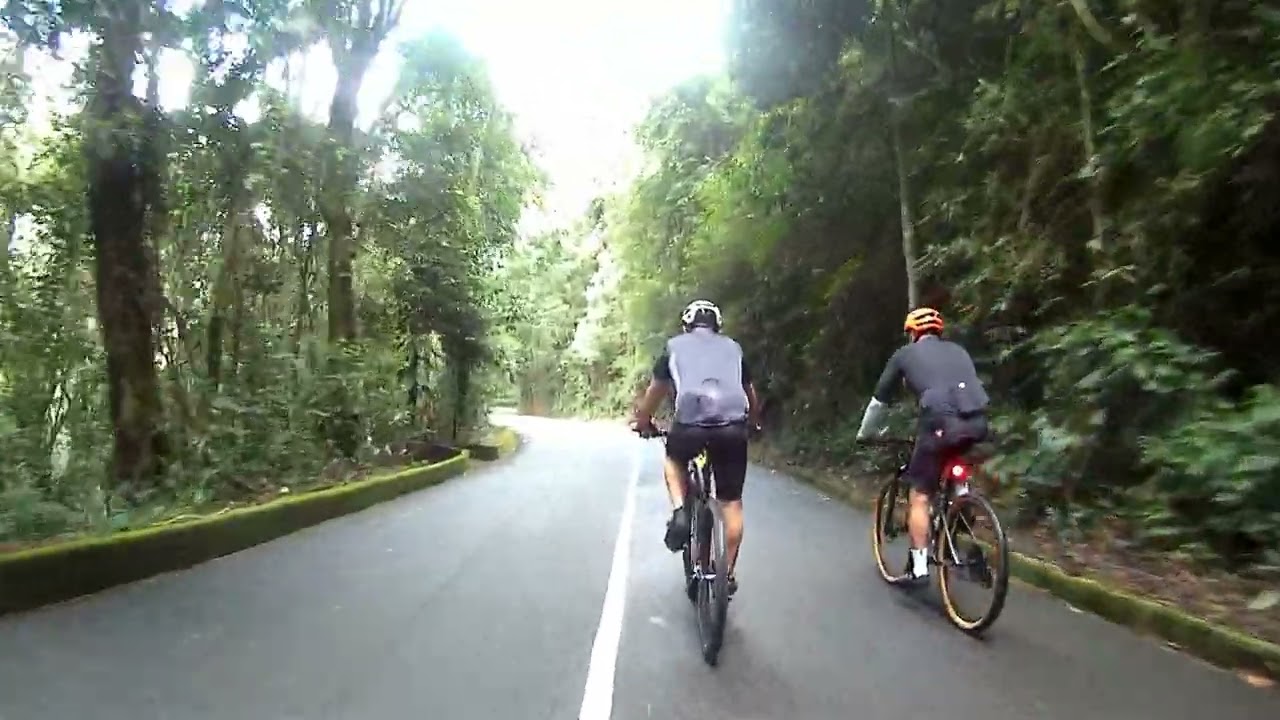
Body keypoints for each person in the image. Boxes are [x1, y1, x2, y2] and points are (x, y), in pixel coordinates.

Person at [632, 299, 761, 595]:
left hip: (690, 422)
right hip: (732, 425)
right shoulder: (734, 348)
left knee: (674, 461)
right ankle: (725, 574)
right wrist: (753, 422)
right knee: (731, 503)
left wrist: (643, 420)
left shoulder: (674, 346)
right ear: (718, 326)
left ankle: (680, 510)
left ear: (687, 325)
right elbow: (750, 393)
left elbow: (656, 391)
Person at [856, 307, 989, 581]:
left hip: (939, 422)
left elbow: (879, 400)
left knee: (920, 494)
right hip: (976, 422)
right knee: (956, 458)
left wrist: (865, 433)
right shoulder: (959, 351)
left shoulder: (905, 354)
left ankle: (918, 566)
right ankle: (961, 501)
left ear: (913, 333)